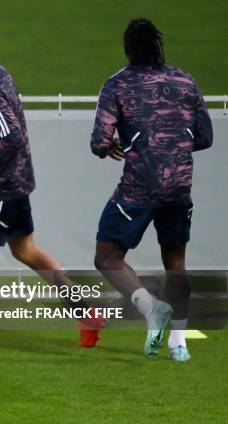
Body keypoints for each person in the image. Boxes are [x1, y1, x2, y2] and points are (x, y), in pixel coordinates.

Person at [0, 15, 103, 349]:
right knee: (26, 251)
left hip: (2, 188)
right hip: (11, 183)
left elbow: (12, 136)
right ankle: (85, 312)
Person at [91, 18, 213, 360]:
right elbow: (206, 136)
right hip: (179, 184)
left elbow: (99, 141)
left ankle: (150, 308)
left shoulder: (118, 84)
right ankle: (180, 345)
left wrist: (115, 145)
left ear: (128, 49)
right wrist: (175, 143)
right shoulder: (185, 80)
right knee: (176, 262)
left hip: (140, 185)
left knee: (107, 255)